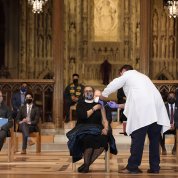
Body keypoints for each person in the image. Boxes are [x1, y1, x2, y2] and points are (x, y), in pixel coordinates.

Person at [100, 64, 170, 174]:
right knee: (154, 141)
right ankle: (155, 167)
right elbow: (135, 99)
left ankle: (132, 167)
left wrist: (103, 95)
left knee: (138, 139)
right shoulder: (143, 77)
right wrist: (118, 106)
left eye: (120, 73)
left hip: (144, 112)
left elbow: (114, 84)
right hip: (157, 111)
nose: (120, 75)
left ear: (124, 71)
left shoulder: (128, 74)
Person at [66, 86, 117, 173]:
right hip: (83, 129)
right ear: (83, 94)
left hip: (97, 129)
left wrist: (106, 128)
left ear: (93, 93)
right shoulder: (80, 104)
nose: (88, 93)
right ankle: (86, 165)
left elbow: (104, 120)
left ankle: (86, 165)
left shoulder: (100, 105)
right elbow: (84, 116)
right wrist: (94, 108)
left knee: (104, 140)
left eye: (90, 91)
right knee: (89, 139)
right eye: (86, 91)